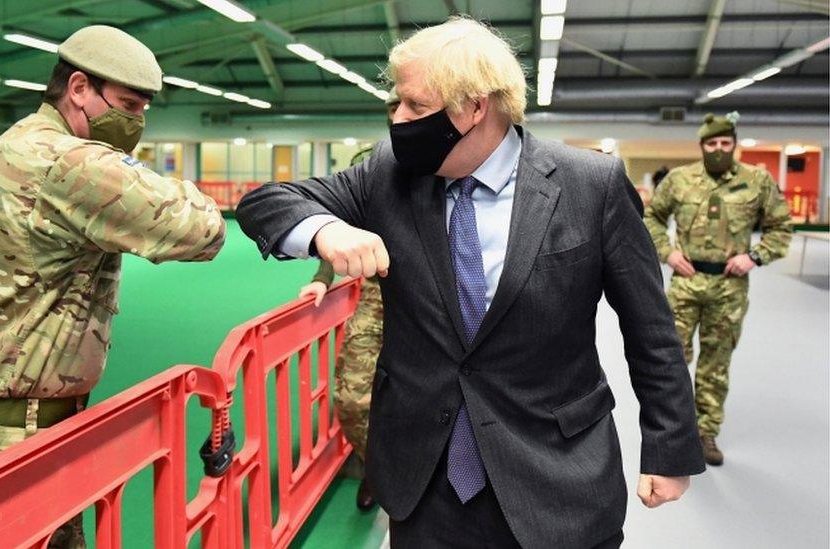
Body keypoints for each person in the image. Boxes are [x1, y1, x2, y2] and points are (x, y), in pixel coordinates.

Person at [236, 17, 703, 549]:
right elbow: (265, 204)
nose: (397, 118)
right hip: (425, 480)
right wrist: (325, 229)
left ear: (474, 107)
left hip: (556, 474)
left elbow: (651, 330)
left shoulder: (589, 185)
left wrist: (670, 448)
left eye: (414, 105)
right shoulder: (387, 175)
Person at [0, 25, 226, 547]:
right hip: (7, 438)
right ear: (79, 88)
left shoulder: (23, 142)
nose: (135, 123)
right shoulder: (63, 160)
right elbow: (202, 229)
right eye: (129, 106)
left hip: (22, 426)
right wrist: (151, 178)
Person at [644, 112, 791, 466]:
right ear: (702, 146)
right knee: (671, 360)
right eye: (712, 144)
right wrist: (668, 252)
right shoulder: (680, 180)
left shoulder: (757, 181)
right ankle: (672, 431)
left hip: (729, 288)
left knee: (715, 363)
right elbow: (653, 217)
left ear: (735, 145)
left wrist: (754, 256)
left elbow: (780, 226)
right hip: (685, 283)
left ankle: (705, 433)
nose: (719, 149)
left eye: (726, 143)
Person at [297, 89, 399, 511]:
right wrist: (322, 277)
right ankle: (378, 469)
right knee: (354, 400)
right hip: (378, 295)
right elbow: (337, 227)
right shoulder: (369, 166)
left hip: (438, 301)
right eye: (396, 110)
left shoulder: (455, 163)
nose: (404, 118)